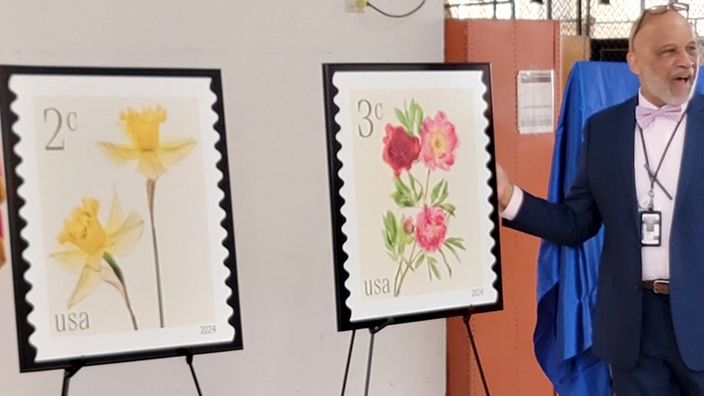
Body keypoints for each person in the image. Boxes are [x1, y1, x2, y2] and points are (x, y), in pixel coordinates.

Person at [496, 5, 704, 396]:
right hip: (632, 329)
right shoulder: (603, 130)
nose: (685, 62)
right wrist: (510, 199)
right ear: (634, 61)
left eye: (691, 49)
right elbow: (577, 223)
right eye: (668, 51)